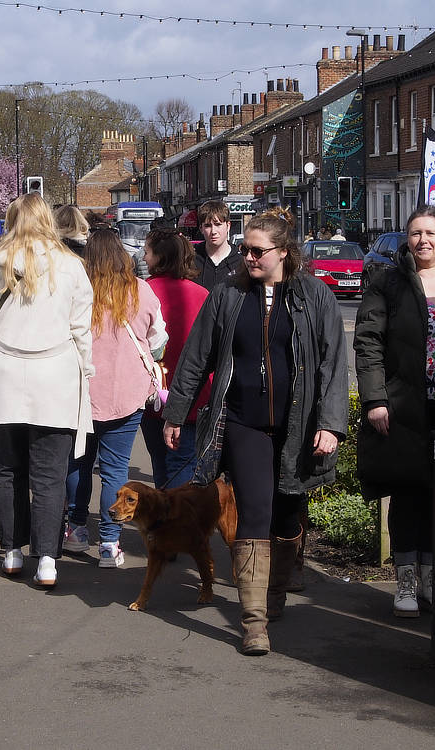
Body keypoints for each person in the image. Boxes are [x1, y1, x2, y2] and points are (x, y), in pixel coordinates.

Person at [162, 207, 348, 656]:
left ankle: (276, 592)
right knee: (254, 514)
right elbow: (196, 356)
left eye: (257, 251)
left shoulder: (313, 296)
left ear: (284, 253)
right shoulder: (227, 294)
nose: (247, 257)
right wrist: (176, 413)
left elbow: (332, 363)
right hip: (244, 422)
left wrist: (330, 423)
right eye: (244, 249)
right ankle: (254, 622)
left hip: (298, 426)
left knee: (287, 516)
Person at [354, 205, 435, 618]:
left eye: (430, 232)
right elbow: (368, 342)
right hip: (405, 406)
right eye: (415, 233)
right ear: (407, 239)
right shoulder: (387, 283)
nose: (422, 240)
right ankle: (406, 579)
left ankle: (432, 576)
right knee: (408, 493)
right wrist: (375, 399)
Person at [0, 192, 95, 587]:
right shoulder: (72, 265)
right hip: (56, 374)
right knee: (50, 473)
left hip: (6, 372)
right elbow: (81, 330)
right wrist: (86, 374)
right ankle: (47, 559)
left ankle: (11, 551)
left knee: (8, 469)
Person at [62, 229, 167, 566]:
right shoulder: (140, 291)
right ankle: (109, 543)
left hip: (79, 391)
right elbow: (158, 339)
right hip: (126, 393)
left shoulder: (75, 291)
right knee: (115, 470)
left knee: (77, 463)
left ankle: (77, 530)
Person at [139, 227, 210, 489]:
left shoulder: (144, 291)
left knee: (161, 464)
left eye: (147, 252)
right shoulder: (202, 294)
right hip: (194, 394)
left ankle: (167, 524)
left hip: (154, 392)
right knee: (182, 466)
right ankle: (175, 524)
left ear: (160, 256)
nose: (143, 258)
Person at [192, 200, 242, 291]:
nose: (213, 231)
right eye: (208, 226)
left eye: (218, 224)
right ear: (201, 229)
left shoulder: (241, 261)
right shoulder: (191, 259)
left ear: (228, 226)